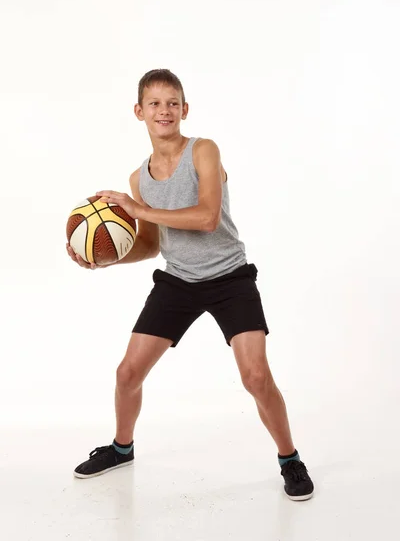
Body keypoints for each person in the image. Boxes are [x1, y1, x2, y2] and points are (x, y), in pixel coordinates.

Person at [66, 69, 314, 501]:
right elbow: (150, 244)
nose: (165, 110)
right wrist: (105, 259)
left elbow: (206, 217)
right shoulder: (137, 180)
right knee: (128, 373)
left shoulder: (204, 151)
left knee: (256, 377)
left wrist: (138, 208)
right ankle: (122, 448)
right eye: (155, 103)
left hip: (230, 277)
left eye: (172, 102)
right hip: (178, 281)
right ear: (139, 111)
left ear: (184, 109)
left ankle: (289, 459)